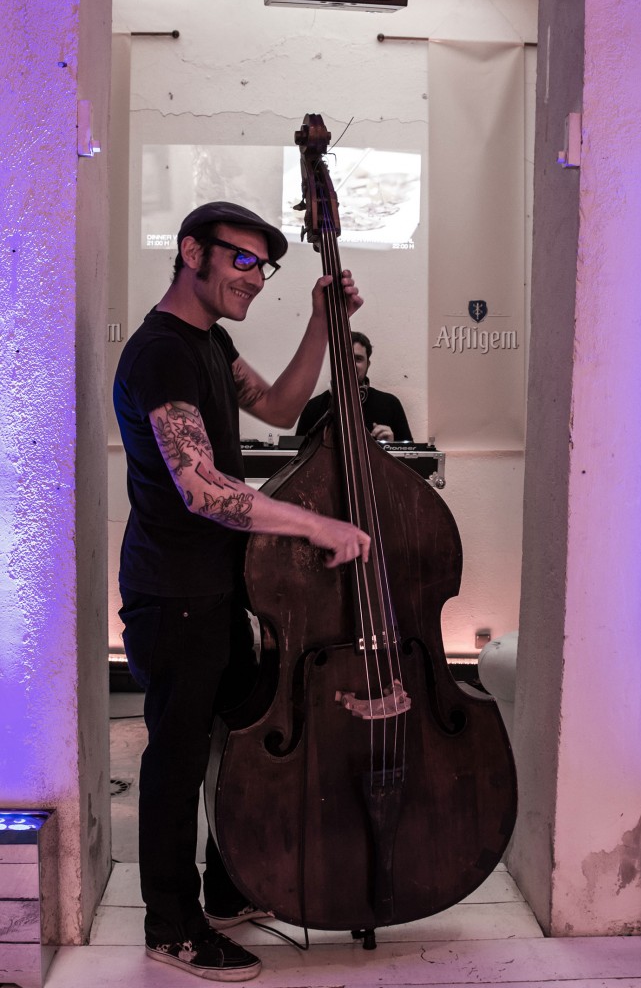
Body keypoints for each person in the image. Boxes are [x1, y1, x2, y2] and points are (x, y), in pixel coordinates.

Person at [113, 201, 370, 982]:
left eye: (265, 267)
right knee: (177, 759)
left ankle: (227, 891)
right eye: (242, 260)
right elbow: (201, 489)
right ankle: (172, 927)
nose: (255, 279)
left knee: (237, 739)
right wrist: (314, 525)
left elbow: (282, 408)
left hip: (217, 588)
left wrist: (323, 324)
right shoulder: (160, 352)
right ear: (192, 251)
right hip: (173, 593)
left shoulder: (210, 342)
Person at [295, 330, 413, 443]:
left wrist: (392, 446)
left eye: (358, 359)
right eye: (344, 358)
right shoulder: (312, 407)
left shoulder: (391, 404)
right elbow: (298, 455)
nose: (350, 364)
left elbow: (410, 455)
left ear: (368, 365)